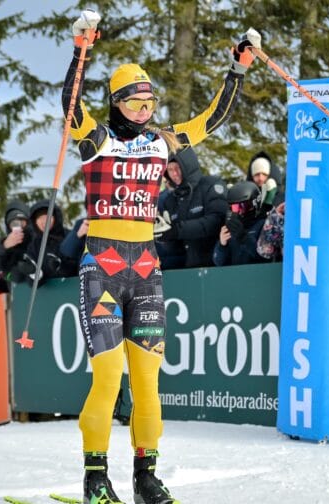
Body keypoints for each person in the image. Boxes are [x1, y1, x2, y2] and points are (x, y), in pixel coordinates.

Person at [62, 9, 260, 503]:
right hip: (103, 268)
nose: (143, 108)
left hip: (146, 269)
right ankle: (95, 479)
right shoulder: (96, 138)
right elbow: (69, 104)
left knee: (149, 380)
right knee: (109, 376)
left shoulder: (163, 141)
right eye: (133, 100)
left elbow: (212, 119)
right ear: (117, 102)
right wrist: (80, 49)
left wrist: (237, 68)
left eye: (149, 100)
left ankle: (146, 476)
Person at [154, 146, 228, 269]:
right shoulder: (171, 200)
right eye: (170, 170)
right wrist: (165, 236)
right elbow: (175, 247)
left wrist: (177, 230)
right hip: (189, 269)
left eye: (178, 168)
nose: (174, 174)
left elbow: (216, 221)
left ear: (188, 166)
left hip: (217, 264)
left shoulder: (211, 185)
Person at [213, 180, 267, 266]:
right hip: (236, 276)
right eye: (235, 207)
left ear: (254, 204)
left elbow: (264, 257)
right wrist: (222, 245)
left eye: (243, 206)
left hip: (257, 275)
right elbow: (218, 262)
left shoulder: (263, 225)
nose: (240, 212)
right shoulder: (232, 227)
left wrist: (244, 238)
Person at [26, 199, 78, 282]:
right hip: (47, 293)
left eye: (47, 216)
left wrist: (61, 267)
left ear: (55, 217)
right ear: (34, 222)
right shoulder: (34, 245)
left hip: (72, 290)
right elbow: (31, 283)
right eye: (39, 218)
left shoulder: (70, 237)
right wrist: (32, 273)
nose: (44, 221)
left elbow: (80, 265)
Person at [0, 200, 35, 285]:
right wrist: (4, 246)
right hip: (20, 292)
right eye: (14, 224)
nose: (18, 226)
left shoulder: (37, 239)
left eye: (21, 222)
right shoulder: (6, 244)